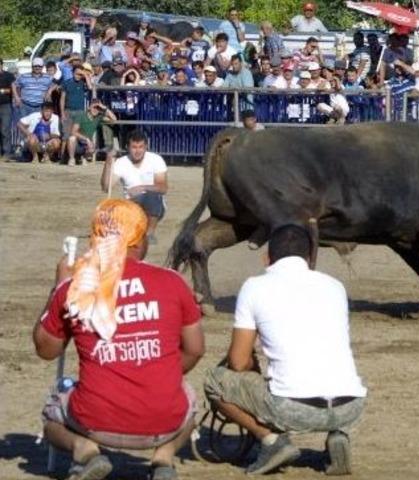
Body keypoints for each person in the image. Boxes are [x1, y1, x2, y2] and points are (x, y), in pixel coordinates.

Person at [35, 199, 204, 480]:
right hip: (164, 421)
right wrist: (159, 369)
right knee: (188, 397)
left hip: (94, 420)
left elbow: (46, 349)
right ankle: (163, 457)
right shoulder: (172, 282)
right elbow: (196, 349)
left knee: (53, 411)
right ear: (136, 241)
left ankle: (84, 449)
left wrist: (59, 286)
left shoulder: (75, 286)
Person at [204, 225, 366, 476]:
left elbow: (237, 362)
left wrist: (252, 368)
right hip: (351, 406)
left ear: (267, 257)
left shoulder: (254, 287)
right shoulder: (335, 286)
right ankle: (338, 434)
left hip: (295, 410)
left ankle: (270, 441)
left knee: (215, 381)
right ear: (310, 257)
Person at [100, 130, 168, 239]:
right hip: (131, 204)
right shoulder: (121, 162)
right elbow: (105, 187)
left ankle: (150, 234)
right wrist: (108, 162)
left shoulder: (156, 160)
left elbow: (163, 188)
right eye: (134, 147)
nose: (138, 151)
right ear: (128, 147)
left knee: (152, 195)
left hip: (154, 206)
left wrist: (142, 187)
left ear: (146, 147)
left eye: (141, 147)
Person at [66, 98, 116, 166]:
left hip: (87, 145)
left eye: (98, 108)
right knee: (72, 138)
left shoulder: (98, 117)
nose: (95, 109)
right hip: (78, 143)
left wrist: (104, 108)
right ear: (89, 107)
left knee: (92, 148)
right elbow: (73, 132)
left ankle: (84, 158)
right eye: (94, 107)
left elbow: (114, 119)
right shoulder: (81, 115)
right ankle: (72, 158)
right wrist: (86, 139)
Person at [0, 60, 15, 157]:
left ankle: (7, 152)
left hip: (6, 105)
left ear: (1, 65)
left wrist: (1, 90)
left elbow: (13, 89)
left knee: (5, 129)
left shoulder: (9, 76)